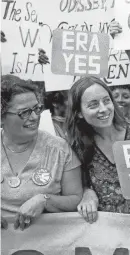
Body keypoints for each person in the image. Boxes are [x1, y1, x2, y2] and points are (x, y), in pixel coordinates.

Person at [1, 75, 82, 230]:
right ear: (2, 117)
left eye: (37, 108)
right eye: (24, 112)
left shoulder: (59, 150)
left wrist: (45, 200)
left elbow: (77, 199)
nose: (34, 117)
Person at [65, 76, 130, 223]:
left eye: (106, 100)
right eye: (93, 105)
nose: (103, 109)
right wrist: (87, 192)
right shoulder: (76, 147)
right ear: (79, 113)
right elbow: (74, 187)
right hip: (105, 236)